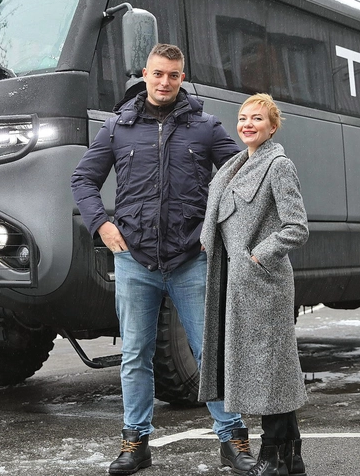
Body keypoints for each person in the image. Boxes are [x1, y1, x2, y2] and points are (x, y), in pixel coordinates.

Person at [71, 44, 256, 475]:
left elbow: (242, 179)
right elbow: (83, 179)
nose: (165, 82)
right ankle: (135, 444)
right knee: (136, 353)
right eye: (158, 73)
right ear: (145, 73)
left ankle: (234, 441)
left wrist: (219, 231)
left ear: (181, 77)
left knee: (209, 351)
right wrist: (101, 224)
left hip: (192, 259)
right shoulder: (117, 128)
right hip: (135, 259)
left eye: (173, 75)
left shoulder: (205, 127)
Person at [198, 93, 310, 476]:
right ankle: (289, 460)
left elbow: (296, 227)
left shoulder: (277, 164)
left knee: (270, 370)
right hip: (236, 283)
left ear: (272, 127)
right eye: (243, 118)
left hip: (263, 283)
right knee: (266, 370)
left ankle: (273, 456)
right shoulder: (234, 166)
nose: (247, 124)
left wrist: (257, 256)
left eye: (257, 119)